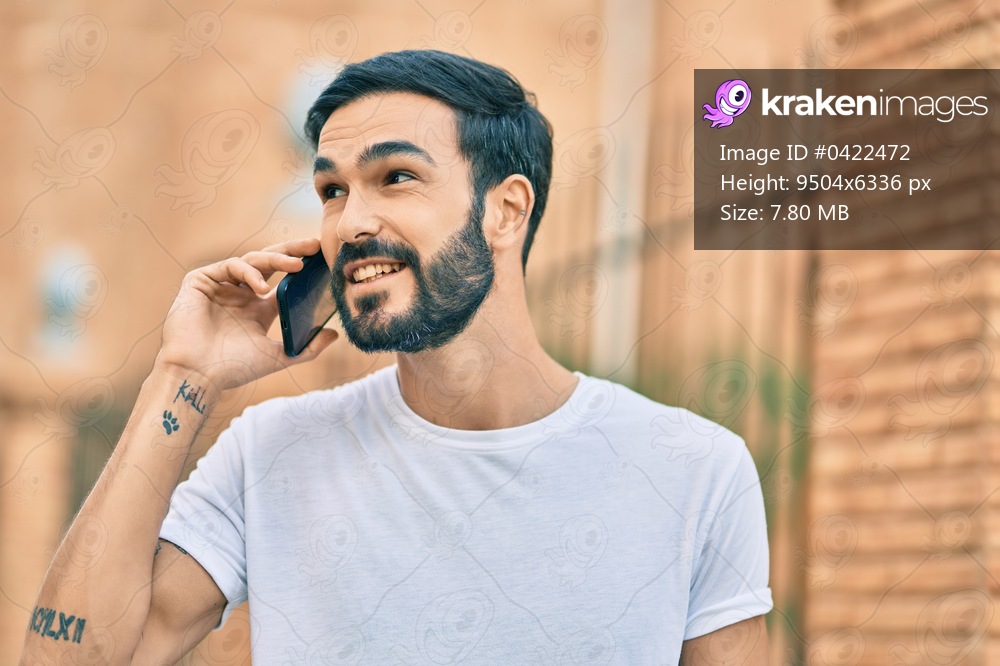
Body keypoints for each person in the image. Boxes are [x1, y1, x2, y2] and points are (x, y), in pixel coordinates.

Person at [21, 50, 771, 664]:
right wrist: (183, 375)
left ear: (506, 209)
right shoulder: (271, 454)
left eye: (396, 177)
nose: (350, 221)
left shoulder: (693, 470)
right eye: (331, 190)